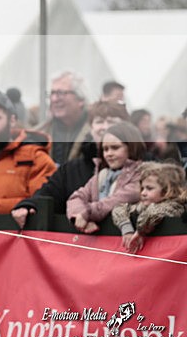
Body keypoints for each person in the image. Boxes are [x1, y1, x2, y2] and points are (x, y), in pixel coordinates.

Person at [12, 100, 129, 229]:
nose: (105, 127)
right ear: (91, 128)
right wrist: (28, 205)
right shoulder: (71, 170)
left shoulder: (139, 167)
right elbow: (48, 193)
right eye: (99, 121)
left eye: (112, 122)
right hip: (79, 239)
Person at [66, 121, 146, 234]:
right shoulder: (100, 176)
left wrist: (86, 214)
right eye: (105, 149)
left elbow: (114, 202)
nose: (109, 154)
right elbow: (75, 198)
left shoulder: (142, 176)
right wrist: (79, 216)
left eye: (115, 148)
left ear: (132, 147)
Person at [111, 162, 187, 253]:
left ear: (167, 190)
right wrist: (127, 229)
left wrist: (140, 231)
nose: (143, 193)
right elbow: (118, 208)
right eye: (142, 188)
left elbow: (154, 212)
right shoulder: (142, 206)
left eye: (149, 188)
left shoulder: (174, 206)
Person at [35, 71, 91, 166]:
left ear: (80, 99)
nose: (54, 99)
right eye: (52, 93)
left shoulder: (97, 133)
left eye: (60, 93)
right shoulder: (39, 133)